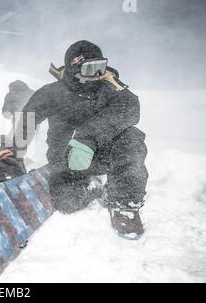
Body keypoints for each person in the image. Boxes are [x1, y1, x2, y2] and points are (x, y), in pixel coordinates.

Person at [13, 40, 148, 240]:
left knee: (131, 137)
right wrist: (14, 149)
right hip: (67, 160)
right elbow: (28, 119)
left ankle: (124, 204)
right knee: (66, 203)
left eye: (100, 67)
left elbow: (129, 108)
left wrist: (88, 137)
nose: (97, 75)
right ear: (74, 67)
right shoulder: (52, 93)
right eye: (90, 68)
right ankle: (93, 188)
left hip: (102, 155)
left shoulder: (109, 87)